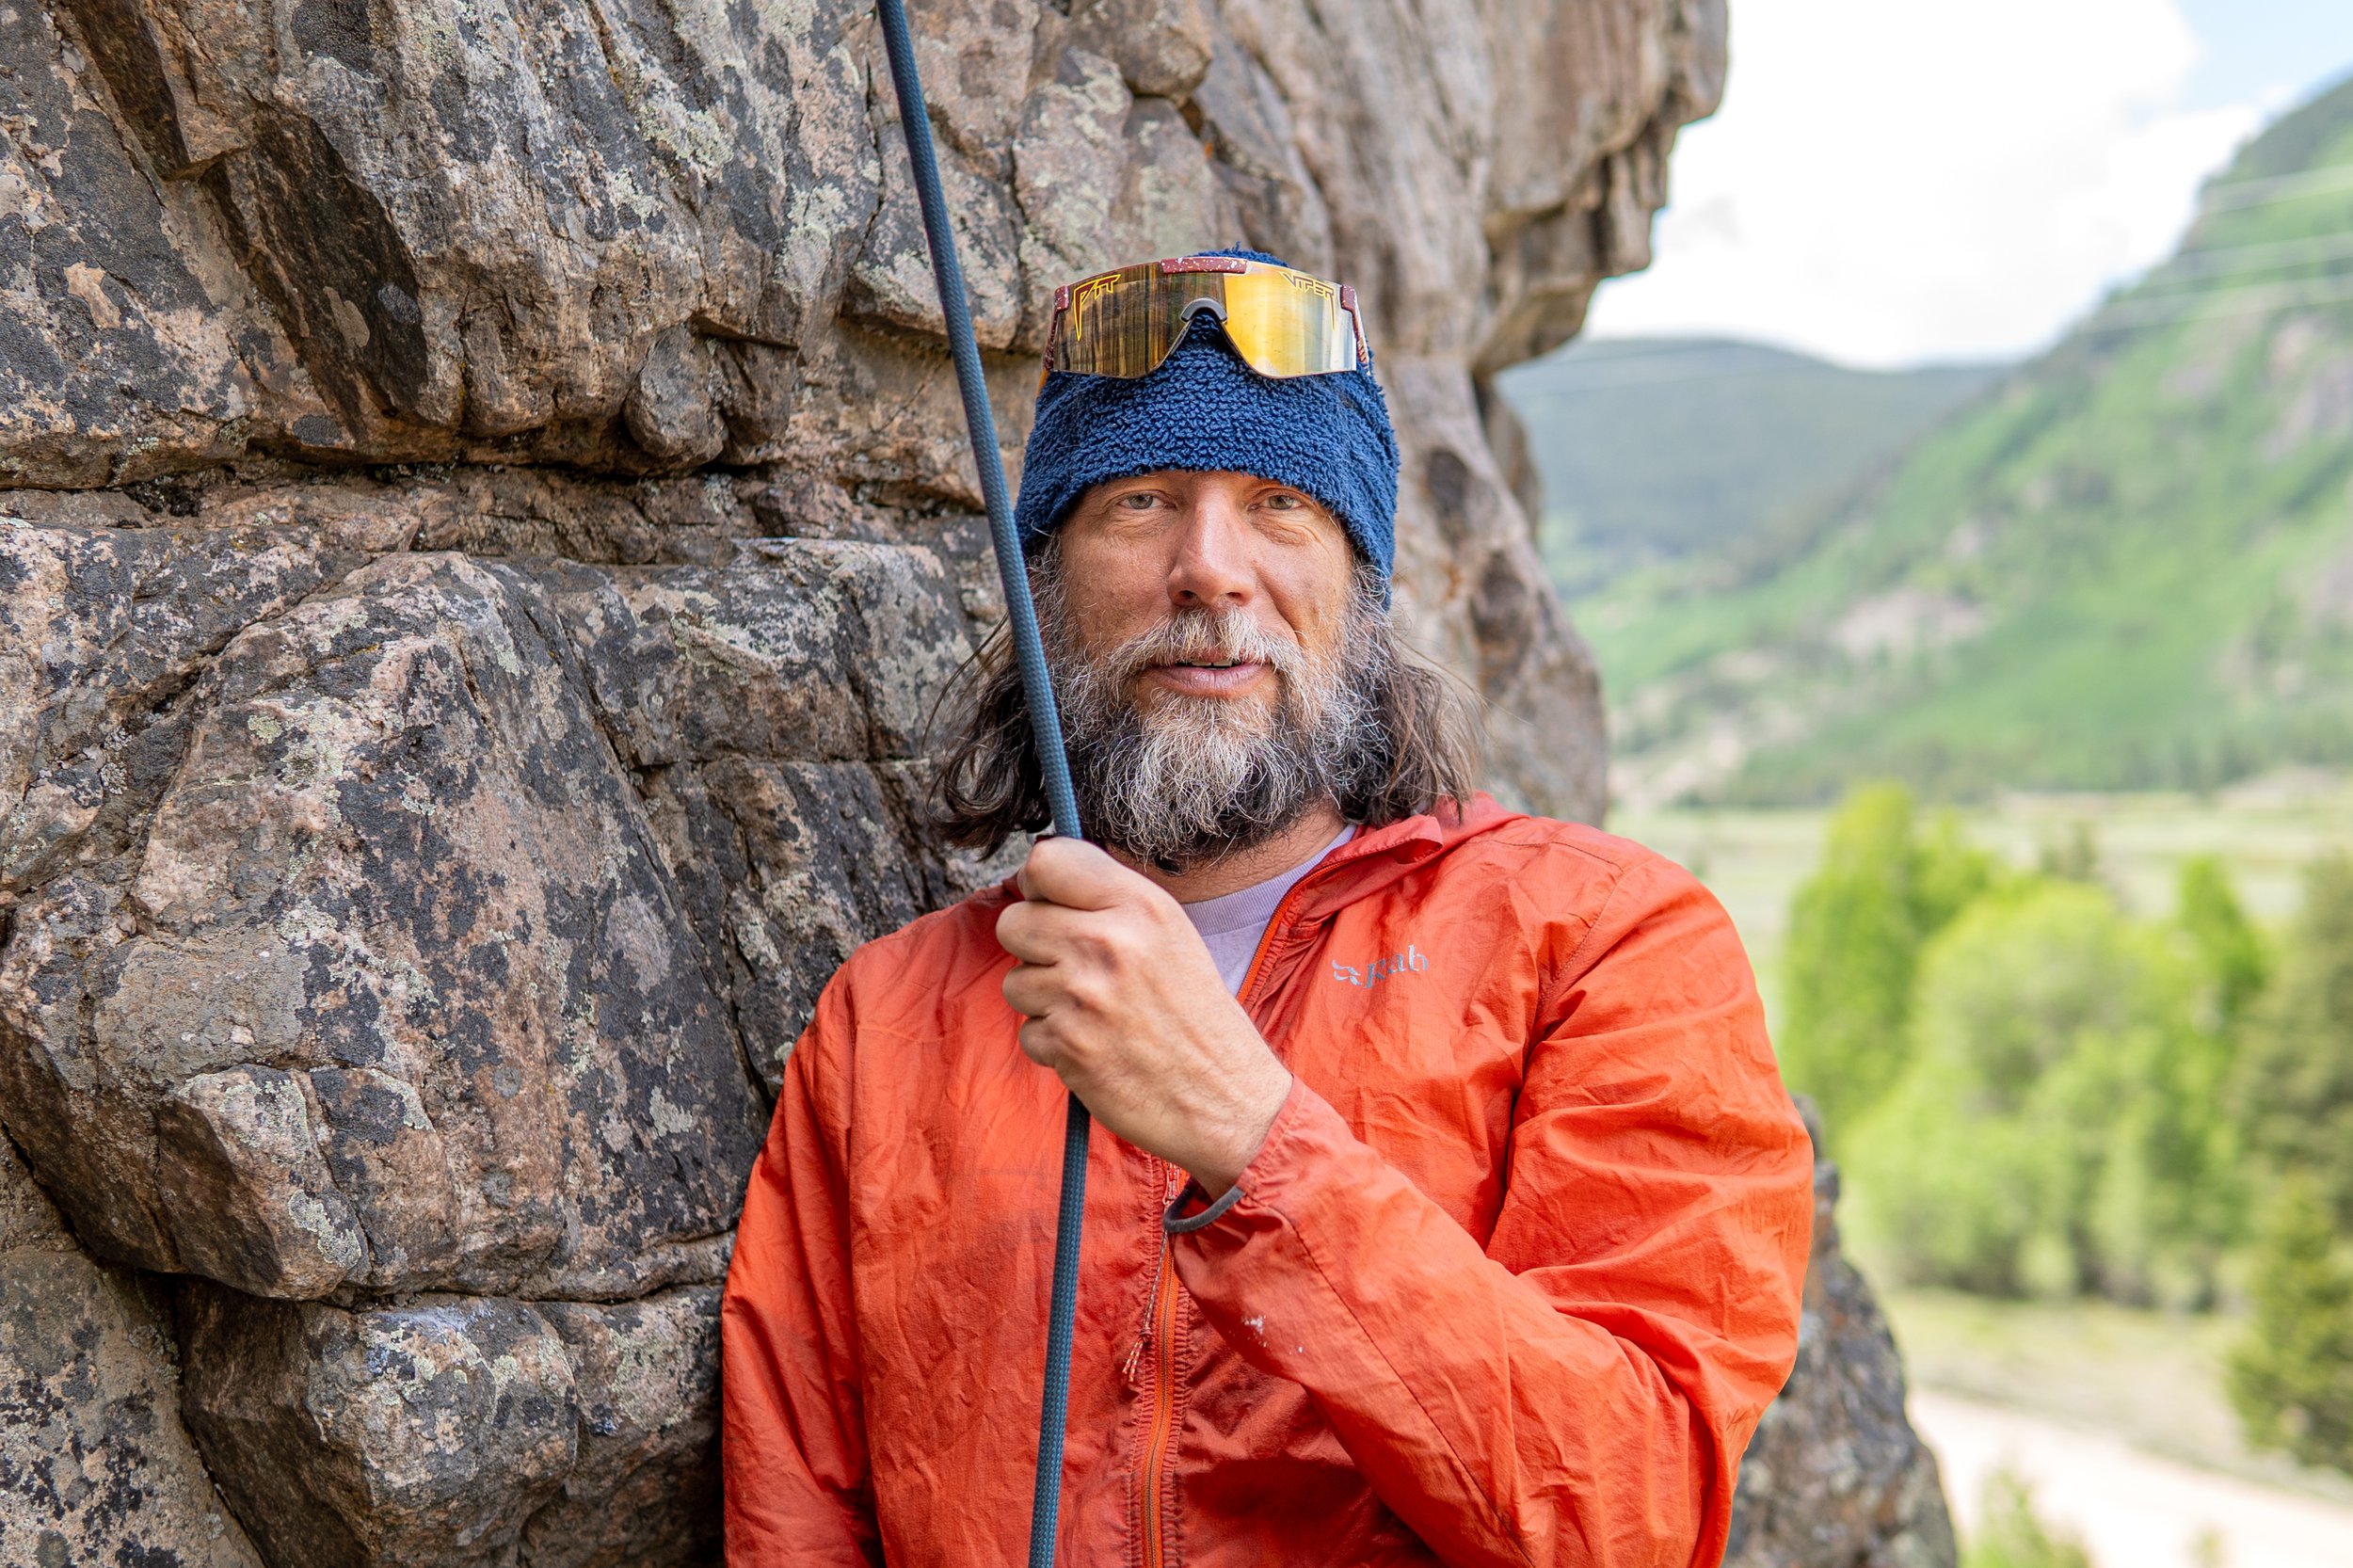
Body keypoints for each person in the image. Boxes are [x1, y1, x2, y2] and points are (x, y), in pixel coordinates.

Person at [720, 249, 1814, 1568]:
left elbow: (1628, 1507)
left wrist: (1251, 1134)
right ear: (1046, 582)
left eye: (1279, 503)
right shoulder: (886, 1021)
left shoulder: (1604, 944)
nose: (1211, 569)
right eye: (1142, 500)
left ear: (1360, 586)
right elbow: (795, 1521)